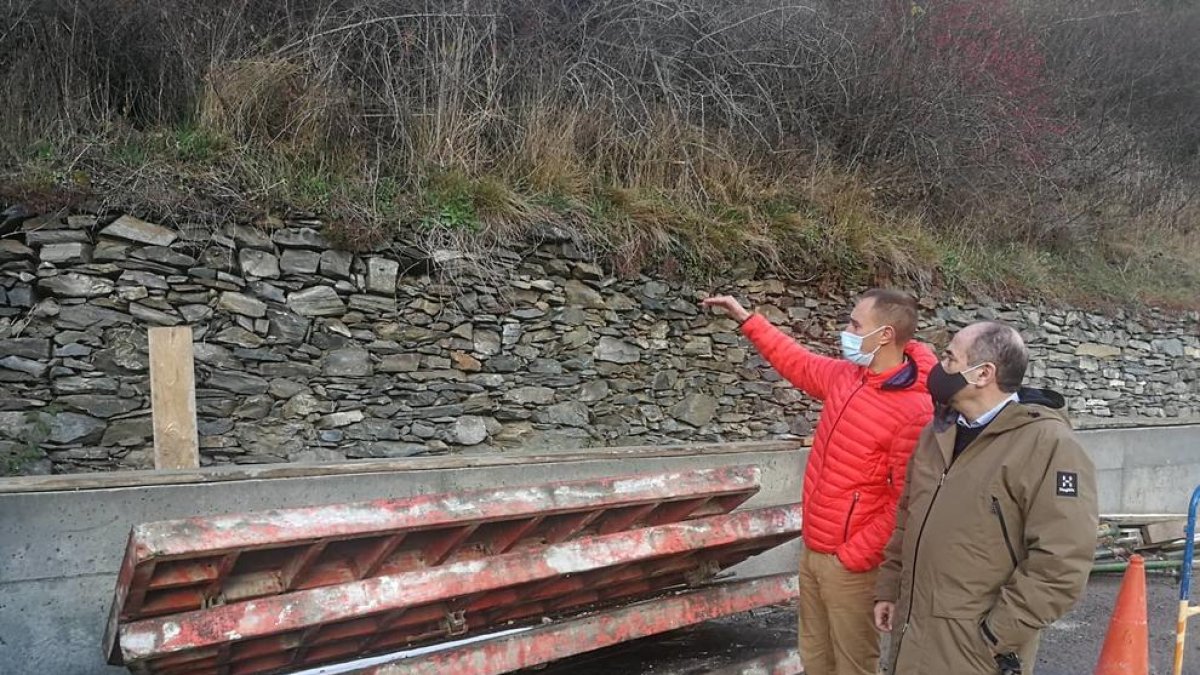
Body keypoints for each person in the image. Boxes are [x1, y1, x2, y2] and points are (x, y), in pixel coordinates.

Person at [702, 289, 936, 675]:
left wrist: (854, 556)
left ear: (884, 336)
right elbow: (797, 362)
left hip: (852, 566)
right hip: (815, 550)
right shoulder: (850, 377)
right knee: (815, 658)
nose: (846, 330)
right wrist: (747, 318)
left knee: (853, 664)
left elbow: (905, 502)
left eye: (855, 325)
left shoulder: (915, 409)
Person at [874, 321, 1099, 675]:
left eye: (949, 358)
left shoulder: (1048, 445)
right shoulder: (938, 434)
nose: (938, 367)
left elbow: (1062, 562)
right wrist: (889, 588)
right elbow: (908, 516)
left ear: (983, 374)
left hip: (977, 650)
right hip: (913, 632)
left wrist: (995, 635)